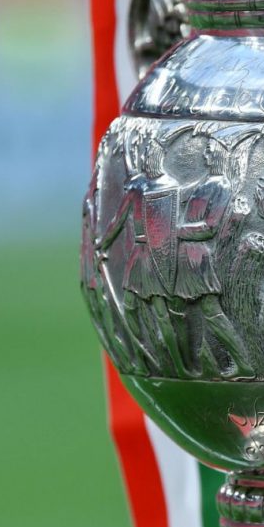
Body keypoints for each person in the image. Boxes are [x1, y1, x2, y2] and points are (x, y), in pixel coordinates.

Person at [96, 127, 188, 378]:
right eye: (146, 156)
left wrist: (103, 243)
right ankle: (145, 354)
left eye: (152, 155)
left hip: (154, 256)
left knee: (160, 311)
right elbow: (118, 220)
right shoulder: (138, 187)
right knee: (131, 306)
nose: (148, 160)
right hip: (139, 254)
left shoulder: (167, 187)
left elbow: (165, 228)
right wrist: (103, 243)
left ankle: (177, 361)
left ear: (159, 157)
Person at [174, 138, 253, 379]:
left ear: (219, 154)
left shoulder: (221, 187)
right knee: (180, 309)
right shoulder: (204, 183)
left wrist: (177, 230)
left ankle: (242, 364)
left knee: (210, 310)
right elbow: (177, 196)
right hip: (185, 255)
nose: (205, 156)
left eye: (209, 152)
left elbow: (210, 227)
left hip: (197, 256)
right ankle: (184, 365)